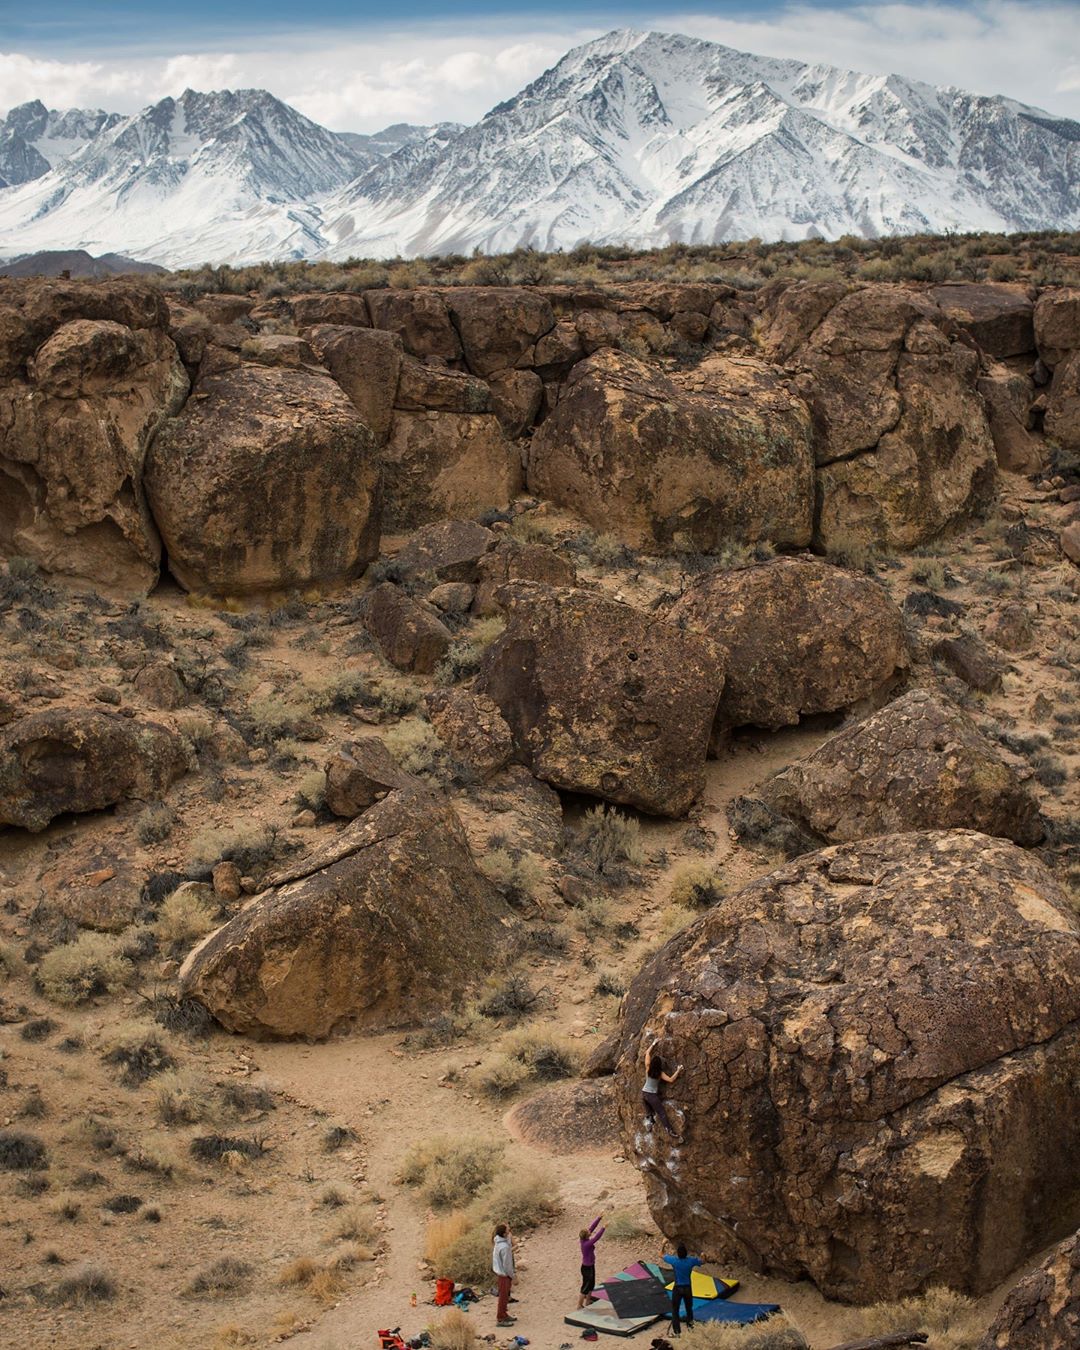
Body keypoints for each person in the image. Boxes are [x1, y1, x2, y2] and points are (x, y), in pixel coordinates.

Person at [642, 1041, 682, 1137]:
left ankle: (649, 1122)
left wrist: (653, 1044)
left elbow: (647, 1053)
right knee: (661, 1112)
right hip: (651, 1095)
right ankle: (669, 1130)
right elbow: (671, 1079)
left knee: (650, 1112)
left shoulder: (648, 1068)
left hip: (644, 1093)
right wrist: (678, 1070)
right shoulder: (660, 1073)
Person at [662, 1243, 702, 1337]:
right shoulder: (691, 1261)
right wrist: (703, 1254)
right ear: (686, 1253)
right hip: (687, 1287)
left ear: (678, 1254)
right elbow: (703, 1261)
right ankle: (691, 1330)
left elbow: (661, 1254)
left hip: (678, 1288)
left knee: (675, 1310)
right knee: (689, 1309)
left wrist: (663, 1244)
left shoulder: (674, 1260)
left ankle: (677, 1333)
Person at [577, 1213, 605, 1308]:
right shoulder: (586, 1244)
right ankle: (579, 1305)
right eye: (589, 1233)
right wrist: (603, 1228)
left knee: (591, 1284)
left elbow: (591, 1228)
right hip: (586, 1268)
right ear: (586, 1236)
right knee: (585, 1287)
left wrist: (599, 1218)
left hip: (591, 1266)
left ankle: (588, 1301)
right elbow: (596, 1237)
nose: (590, 1232)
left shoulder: (584, 1239)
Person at [492, 1223, 516, 1327]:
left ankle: (504, 1315)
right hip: (504, 1274)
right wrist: (513, 1276)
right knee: (503, 1297)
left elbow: (509, 1243)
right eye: (508, 1230)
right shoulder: (504, 1247)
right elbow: (507, 1265)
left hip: (501, 1273)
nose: (509, 1231)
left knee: (505, 1296)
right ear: (504, 1233)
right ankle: (500, 1318)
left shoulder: (499, 1242)